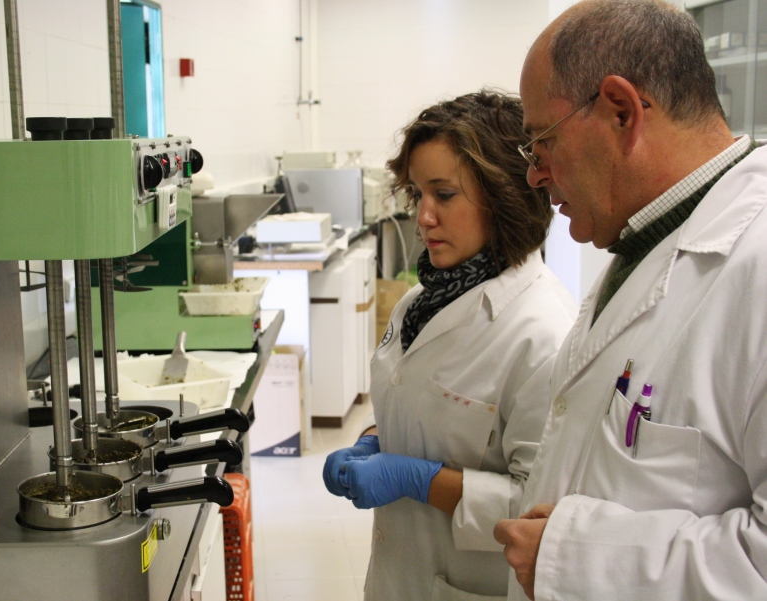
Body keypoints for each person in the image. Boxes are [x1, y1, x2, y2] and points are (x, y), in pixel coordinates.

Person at [492, 1, 767, 600]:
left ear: (620, 112)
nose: (535, 176)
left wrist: (574, 556)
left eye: (541, 143)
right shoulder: (646, 242)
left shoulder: (757, 265)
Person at [323, 90, 578, 601]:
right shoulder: (420, 301)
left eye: (444, 194)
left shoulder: (545, 333)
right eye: (419, 195)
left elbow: (540, 512)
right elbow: (423, 401)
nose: (423, 217)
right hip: (398, 574)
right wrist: (376, 438)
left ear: (503, 195)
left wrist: (418, 479)